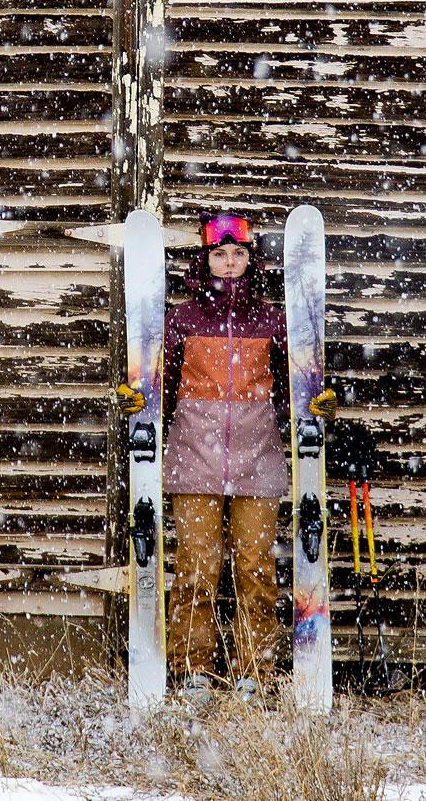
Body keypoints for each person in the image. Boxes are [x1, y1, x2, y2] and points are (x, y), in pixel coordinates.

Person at [161, 210, 286, 698]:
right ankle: (192, 667)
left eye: (238, 253)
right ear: (205, 259)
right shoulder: (184, 319)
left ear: (250, 260)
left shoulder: (271, 320)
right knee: (196, 564)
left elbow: (291, 389)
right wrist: (142, 400)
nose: (229, 262)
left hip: (257, 457)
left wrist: (313, 405)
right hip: (195, 456)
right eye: (219, 253)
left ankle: (253, 670)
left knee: (255, 567)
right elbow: (162, 387)